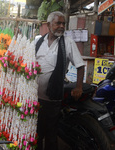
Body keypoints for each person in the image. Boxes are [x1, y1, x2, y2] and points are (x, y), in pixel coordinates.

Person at [36, 11, 85, 150]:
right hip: (35, 97)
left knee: (51, 134)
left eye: (64, 23)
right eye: (58, 23)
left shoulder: (68, 42)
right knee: (36, 132)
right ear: (48, 24)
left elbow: (80, 66)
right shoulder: (38, 41)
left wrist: (79, 87)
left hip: (53, 99)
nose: (62, 26)